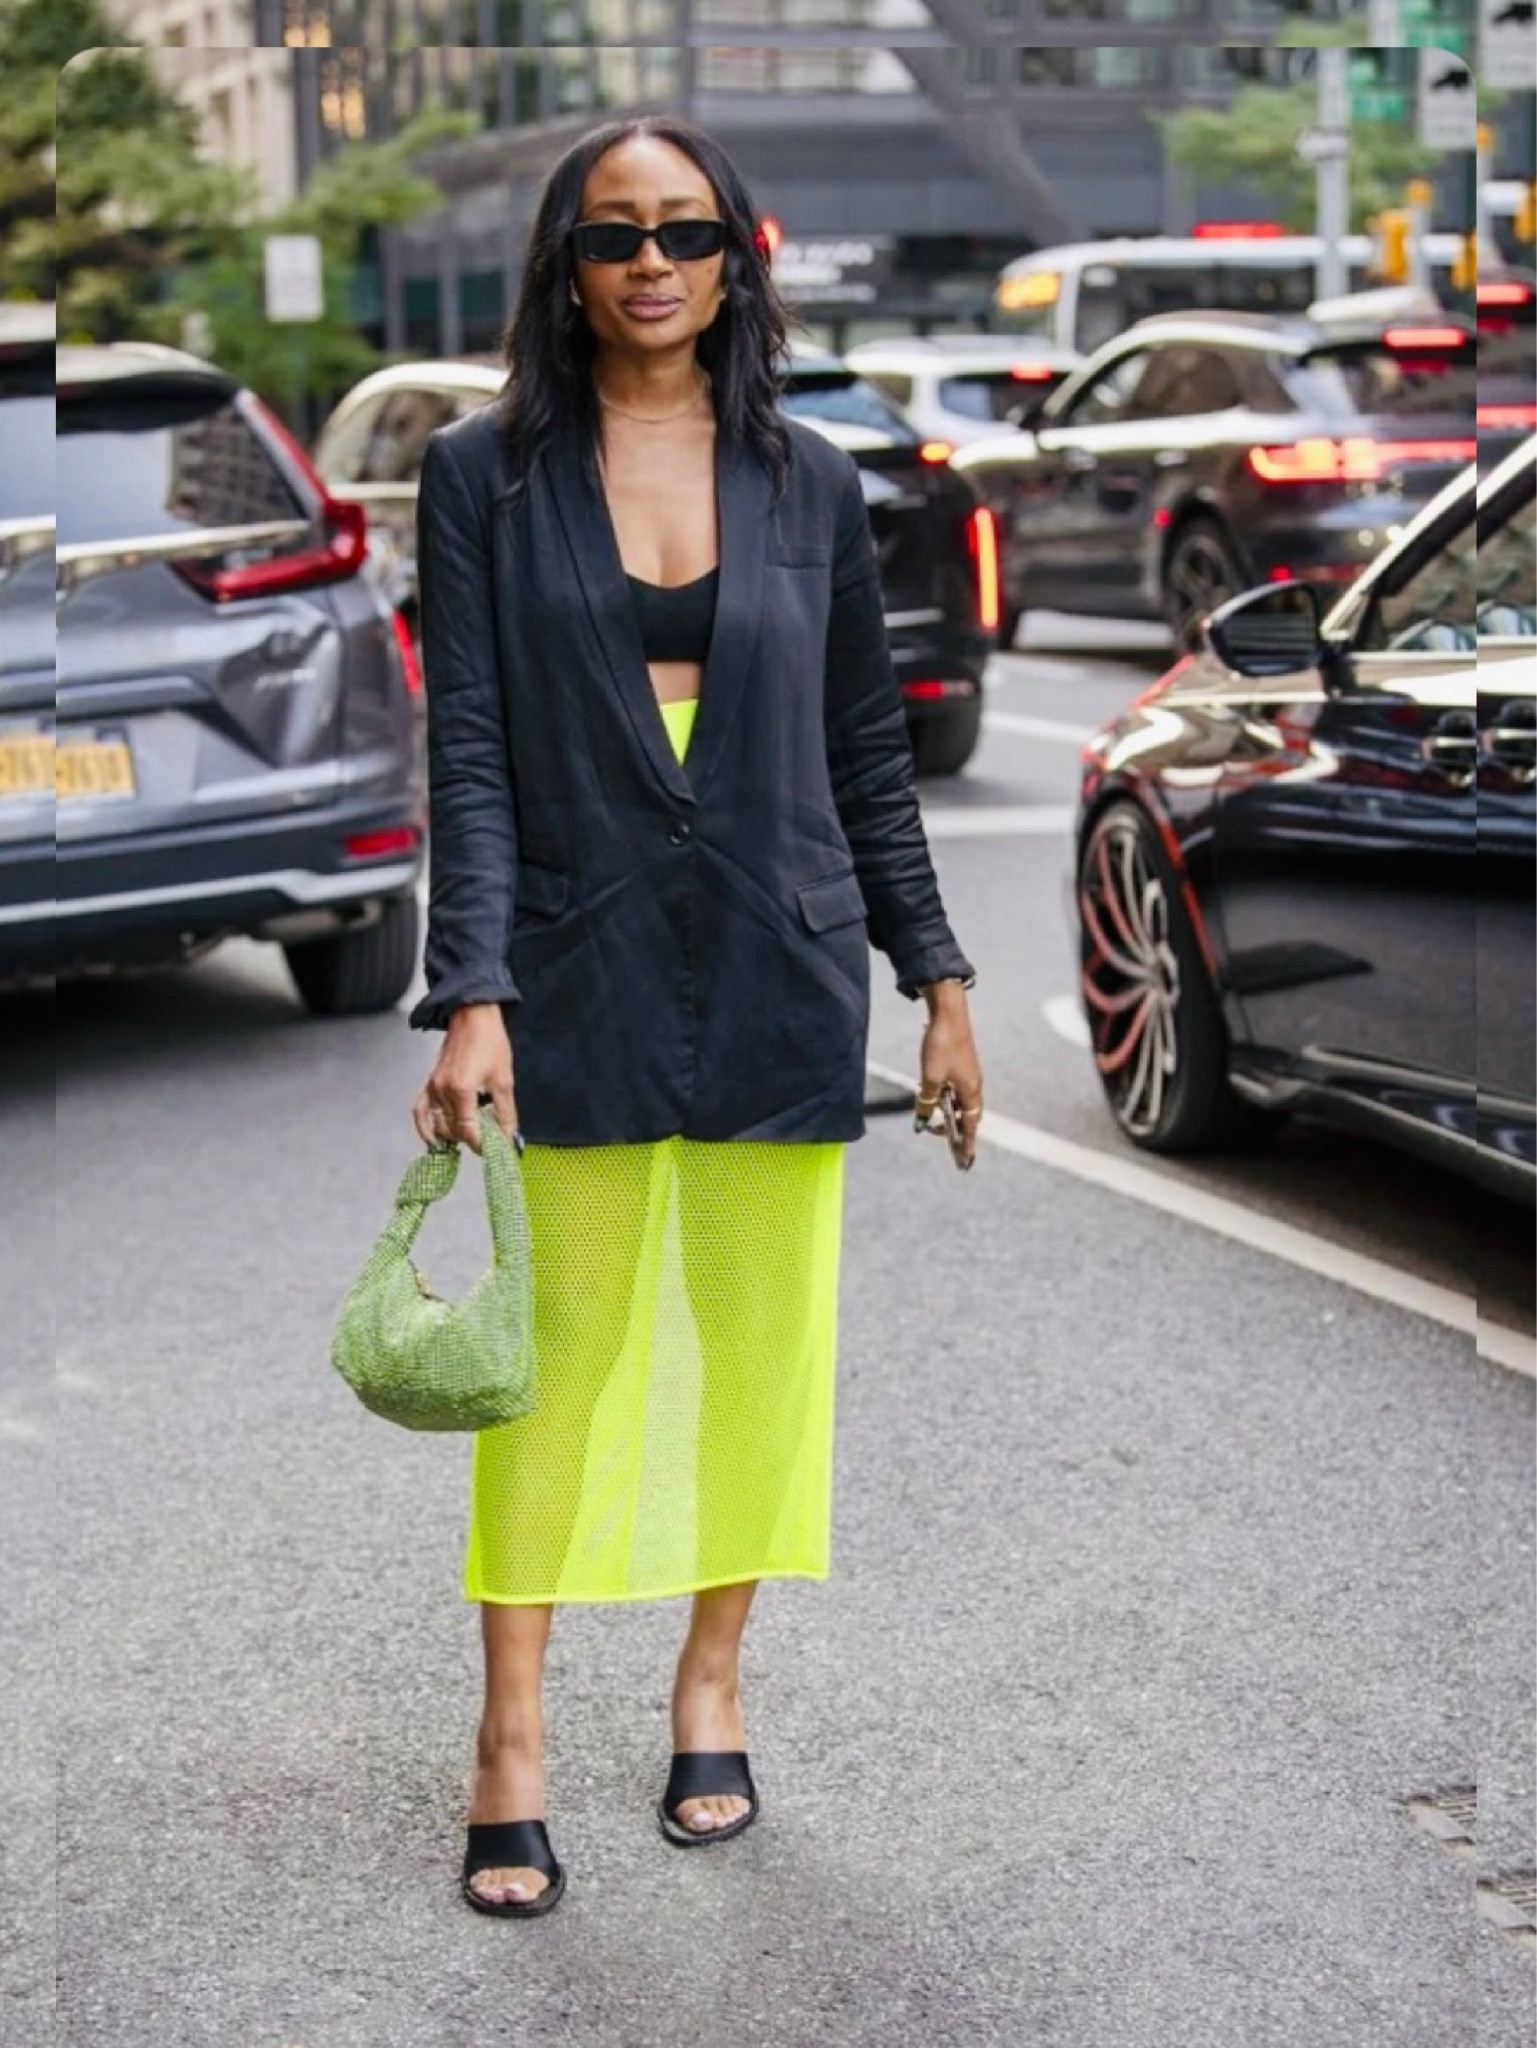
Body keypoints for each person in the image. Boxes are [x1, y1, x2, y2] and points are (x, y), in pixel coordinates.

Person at [407, 114, 983, 1919]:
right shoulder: (482, 471)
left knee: (756, 1363)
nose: (650, 262)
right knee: (549, 1378)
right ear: (562, 269)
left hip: (776, 967)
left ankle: (711, 1688)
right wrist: (472, 991)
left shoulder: (810, 478)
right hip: (569, 968)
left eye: (685, 230)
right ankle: (509, 1744)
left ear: (737, 255)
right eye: (611, 235)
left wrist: (940, 980)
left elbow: (867, 755)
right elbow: (474, 755)